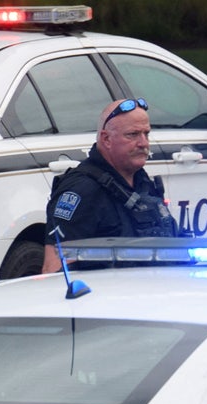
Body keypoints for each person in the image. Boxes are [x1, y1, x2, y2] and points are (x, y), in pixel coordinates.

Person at [41, 97, 179, 273]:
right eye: (133, 135)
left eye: (146, 134)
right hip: (108, 297)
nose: (143, 143)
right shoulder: (81, 190)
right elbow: (55, 269)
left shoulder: (143, 183)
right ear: (106, 139)